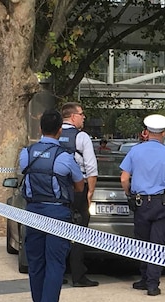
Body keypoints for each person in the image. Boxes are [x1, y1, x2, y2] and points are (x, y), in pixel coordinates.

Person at [19, 110, 85, 302]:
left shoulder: (26, 153)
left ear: (40, 129)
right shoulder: (65, 157)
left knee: (36, 264)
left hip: (33, 213)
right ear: (59, 130)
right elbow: (79, 185)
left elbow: (23, 174)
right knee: (55, 264)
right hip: (58, 214)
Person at [120, 114, 165, 296]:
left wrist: (129, 193)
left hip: (141, 202)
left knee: (142, 242)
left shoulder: (135, 151)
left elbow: (124, 178)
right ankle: (153, 284)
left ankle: (143, 278)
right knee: (158, 244)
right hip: (161, 203)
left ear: (146, 132)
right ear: (163, 133)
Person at [60, 102, 99, 288]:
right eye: (82, 114)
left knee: (57, 231)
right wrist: (89, 192)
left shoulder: (54, 133)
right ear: (73, 116)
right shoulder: (82, 137)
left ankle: (58, 272)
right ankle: (78, 275)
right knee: (79, 233)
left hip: (57, 190)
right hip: (77, 190)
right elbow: (91, 168)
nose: (84, 117)